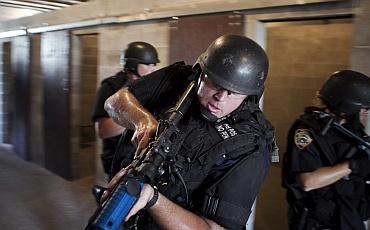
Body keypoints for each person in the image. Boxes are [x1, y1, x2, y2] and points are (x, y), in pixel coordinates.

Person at [102, 34, 276, 229]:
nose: (221, 97)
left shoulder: (250, 143)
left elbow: (215, 228)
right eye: (216, 84)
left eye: (234, 92)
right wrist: (143, 122)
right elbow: (114, 102)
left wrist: (153, 200)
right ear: (201, 72)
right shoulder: (178, 78)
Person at [282, 70, 370, 230]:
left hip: (349, 221)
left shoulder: (353, 134)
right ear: (348, 106)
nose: (365, 114)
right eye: (364, 109)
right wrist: (352, 166)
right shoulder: (308, 131)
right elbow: (308, 182)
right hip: (318, 224)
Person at [91, 41, 160, 178]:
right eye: (148, 64)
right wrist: (137, 116)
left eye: (154, 65)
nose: (153, 69)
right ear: (133, 64)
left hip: (141, 160)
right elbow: (103, 130)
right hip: (118, 161)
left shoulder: (148, 87)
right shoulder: (110, 86)